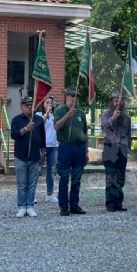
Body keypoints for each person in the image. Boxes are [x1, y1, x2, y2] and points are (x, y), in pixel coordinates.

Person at [54, 86, 88, 216]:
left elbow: (85, 133)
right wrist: (68, 115)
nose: (74, 98)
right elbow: (56, 126)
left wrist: (85, 151)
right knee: (64, 177)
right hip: (65, 147)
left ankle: (74, 204)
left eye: (76, 96)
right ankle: (63, 205)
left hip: (79, 147)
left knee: (77, 177)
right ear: (66, 97)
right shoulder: (60, 110)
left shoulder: (81, 113)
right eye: (71, 95)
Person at [11, 96, 46, 217]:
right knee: (22, 183)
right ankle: (21, 206)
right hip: (21, 156)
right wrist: (26, 129)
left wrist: (43, 152)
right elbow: (14, 135)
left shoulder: (39, 120)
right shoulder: (16, 120)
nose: (29, 107)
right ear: (21, 107)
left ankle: (30, 205)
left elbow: (43, 137)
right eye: (26, 105)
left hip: (35, 156)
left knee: (32, 183)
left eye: (31, 105)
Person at [101, 92, 132, 211]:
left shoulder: (127, 117)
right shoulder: (106, 114)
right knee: (110, 176)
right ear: (111, 102)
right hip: (110, 147)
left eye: (120, 101)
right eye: (116, 101)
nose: (118, 103)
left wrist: (127, 148)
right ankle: (110, 202)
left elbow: (128, 135)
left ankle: (119, 202)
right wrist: (113, 117)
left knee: (120, 176)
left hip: (122, 148)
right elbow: (104, 127)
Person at [42, 95, 59, 203]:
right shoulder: (39, 115)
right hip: (43, 146)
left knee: (51, 171)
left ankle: (50, 194)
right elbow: (40, 124)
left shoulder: (56, 116)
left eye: (51, 103)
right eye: (47, 102)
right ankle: (32, 195)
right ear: (43, 104)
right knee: (37, 169)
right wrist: (47, 113)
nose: (49, 104)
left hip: (54, 146)